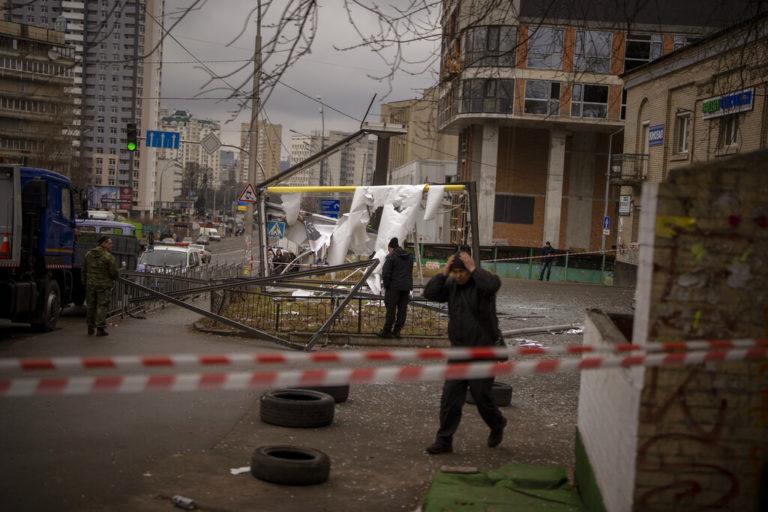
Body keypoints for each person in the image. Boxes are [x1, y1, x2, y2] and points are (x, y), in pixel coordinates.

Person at [422, 251, 506, 454]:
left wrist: (474, 269)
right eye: (455, 272)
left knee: (481, 397)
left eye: (462, 272)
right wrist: (443, 274)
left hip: (482, 352)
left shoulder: (482, 285)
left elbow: (494, 285)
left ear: (469, 270)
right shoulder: (451, 285)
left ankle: (497, 424)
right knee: (450, 398)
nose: (458, 276)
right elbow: (430, 294)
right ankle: (444, 440)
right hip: (458, 352)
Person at [82, 235, 120, 336]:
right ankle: (100, 329)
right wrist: (113, 278)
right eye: (110, 243)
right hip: (103, 286)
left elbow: (84, 270)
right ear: (104, 243)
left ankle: (90, 328)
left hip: (90, 285)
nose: (111, 245)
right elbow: (114, 272)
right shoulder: (108, 256)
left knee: (91, 306)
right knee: (102, 306)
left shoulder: (89, 254)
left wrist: (85, 282)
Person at [377, 237, 414, 339]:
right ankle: (397, 331)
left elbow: (385, 273)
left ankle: (387, 331)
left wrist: (387, 285)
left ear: (391, 248)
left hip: (393, 288)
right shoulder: (409, 257)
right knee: (402, 310)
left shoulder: (391, 257)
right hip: (405, 288)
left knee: (391, 309)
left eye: (389, 249)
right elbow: (409, 272)